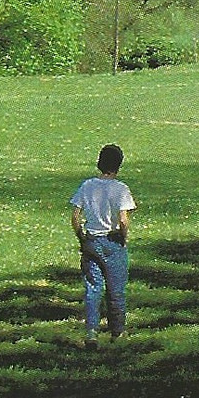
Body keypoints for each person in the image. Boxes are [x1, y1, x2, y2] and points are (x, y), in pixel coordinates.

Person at [70, 143, 136, 348]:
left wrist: (81, 235)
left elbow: (75, 216)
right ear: (118, 165)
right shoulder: (121, 189)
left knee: (93, 287)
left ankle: (91, 331)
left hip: (91, 240)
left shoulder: (87, 186)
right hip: (112, 240)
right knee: (115, 289)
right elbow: (123, 219)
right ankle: (117, 331)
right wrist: (124, 237)